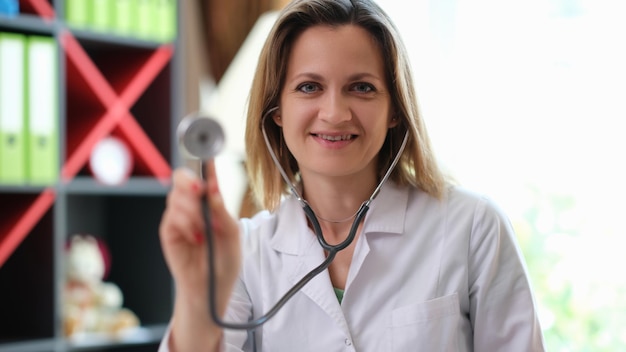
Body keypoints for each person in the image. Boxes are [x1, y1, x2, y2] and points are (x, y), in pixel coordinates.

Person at [158, 0, 546, 351]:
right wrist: (196, 295)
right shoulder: (244, 252)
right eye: (309, 87)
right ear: (277, 110)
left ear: (395, 109)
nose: (335, 113)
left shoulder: (473, 227)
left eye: (361, 88)